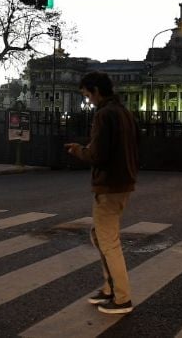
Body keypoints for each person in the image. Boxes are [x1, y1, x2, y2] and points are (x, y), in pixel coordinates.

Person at [64, 71, 139, 315]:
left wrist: (78, 150)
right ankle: (109, 290)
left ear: (96, 90)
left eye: (87, 94)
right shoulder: (124, 112)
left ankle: (121, 298)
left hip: (109, 184)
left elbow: (98, 154)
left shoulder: (104, 114)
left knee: (108, 242)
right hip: (123, 181)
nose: (89, 100)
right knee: (100, 236)